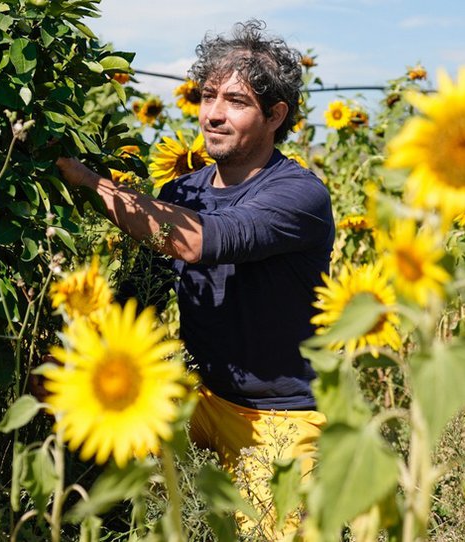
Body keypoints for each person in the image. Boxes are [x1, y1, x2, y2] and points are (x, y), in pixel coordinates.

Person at [56, 19, 334, 537]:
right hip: (197, 397)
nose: (213, 114)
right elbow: (145, 286)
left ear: (276, 115)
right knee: (91, 437)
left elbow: (193, 241)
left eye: (236, 101)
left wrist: (89, 182)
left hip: (279, 417)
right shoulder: (184, 190)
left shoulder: (300, 196)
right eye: (208, 96)